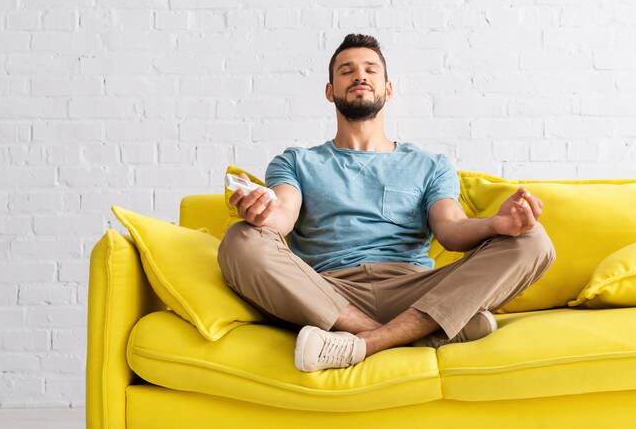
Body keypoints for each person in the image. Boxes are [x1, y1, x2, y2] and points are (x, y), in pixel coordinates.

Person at [217, 33, 556, 372]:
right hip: (326, 291)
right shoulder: (296, 161)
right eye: (346, 71)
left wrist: (496, 225)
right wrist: (261, 213)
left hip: (414, 290)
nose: (360, 76)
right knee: (241, 238)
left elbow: (451, 231)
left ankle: (363, 343)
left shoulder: (430, 164)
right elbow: (283, 216)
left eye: (370, 70)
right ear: (329, 91)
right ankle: (414, 335)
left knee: (533, 240)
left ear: (388, 89)